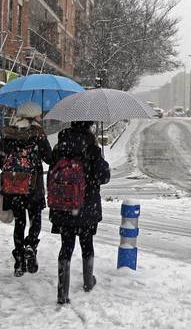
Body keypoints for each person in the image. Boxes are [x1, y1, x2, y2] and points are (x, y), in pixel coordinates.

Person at [49, 121, 110, 304]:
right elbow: (103, 177)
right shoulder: (91, 148)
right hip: (86, 207)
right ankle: (88, 281)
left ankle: (62, 292)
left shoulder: (60, 146)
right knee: (86, 243)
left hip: (63, 206)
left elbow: (52, 171)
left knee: (66, 246)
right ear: (89, 126)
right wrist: (100, 160)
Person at [0, 102, 52, 277]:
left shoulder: (9, 133)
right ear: (34, 116)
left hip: (14, 186)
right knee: (35, 220)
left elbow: (0, 158)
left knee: (19, 223)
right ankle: (31, 245)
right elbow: (49, 158)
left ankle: (19, 260)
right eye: (39, 115)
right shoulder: (38, 134)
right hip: (33, 186)